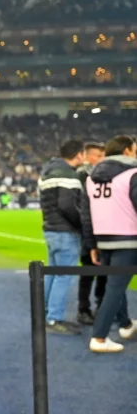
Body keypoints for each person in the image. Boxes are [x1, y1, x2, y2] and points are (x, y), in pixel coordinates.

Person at [80, 135, 137, 353]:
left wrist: (91, 244)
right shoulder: (132, 174)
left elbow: (86, 215)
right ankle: (100, 337)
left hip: (104, 240)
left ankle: (126, 325)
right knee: (115, 288)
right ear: (127, 151)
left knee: (115, 285)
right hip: (129, 239)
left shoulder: (91, 178)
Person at [39, 139, 86, 335]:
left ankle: (46, 314)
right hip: (65, 231)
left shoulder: (48, 171)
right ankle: (54, 318)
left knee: (53, 273)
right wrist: (81, 224)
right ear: (79, 155)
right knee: (63, 276)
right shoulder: (68, 174)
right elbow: (67, 206)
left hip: (50, 228)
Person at [77, 141, 107, 325]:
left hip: (102, 229)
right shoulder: (82, 176)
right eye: (99, 156)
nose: (102, 159)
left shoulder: (102, 175)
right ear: (88, 156)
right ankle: (83, 309)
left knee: (103, 271)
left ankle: (100, 306)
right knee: (88, 272)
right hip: (89, 230)